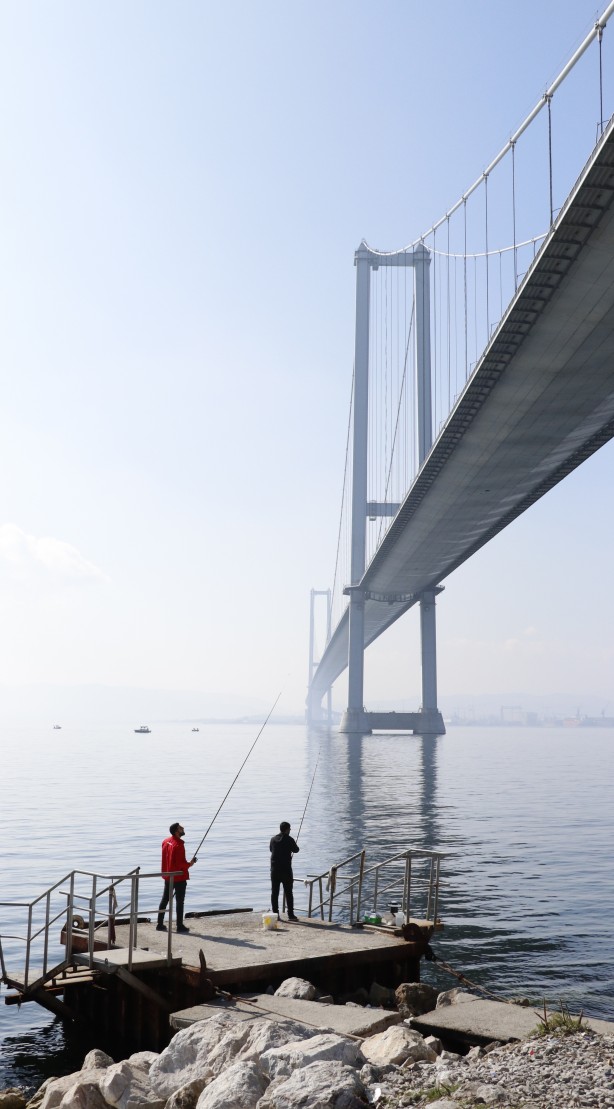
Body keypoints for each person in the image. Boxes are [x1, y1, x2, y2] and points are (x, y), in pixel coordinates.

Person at [157, 822, 197, 933]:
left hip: (168, 876)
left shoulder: (166, 842)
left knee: (165, 899)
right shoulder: (179, 845)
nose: (183, 828)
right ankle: (179, 926)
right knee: (180, 901)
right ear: (176, 831)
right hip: (178, 877)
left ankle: (159, 924)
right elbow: (180, 864)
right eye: (180, 828)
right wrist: (190, 864)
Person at [270, 821, 299, 921]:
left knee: (274, 893)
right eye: (290, 829)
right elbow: (296, 850)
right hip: (286, 871)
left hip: (274, 871)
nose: (290, 830)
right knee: (288, 893)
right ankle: (290, 914)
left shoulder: (273, 839)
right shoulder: (289, 839)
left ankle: (275, 914)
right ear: (287, 829)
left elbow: (271, 850)